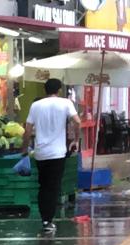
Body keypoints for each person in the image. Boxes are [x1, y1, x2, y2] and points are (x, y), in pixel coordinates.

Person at [23, 78, 80, 236]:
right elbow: (77, 122)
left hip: (40, 153)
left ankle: (45, 220)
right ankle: (49, 220)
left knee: (43, 186)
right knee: (53, 187)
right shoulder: (65, 103)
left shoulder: (36, 105)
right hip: (57, 153)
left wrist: (24, 149)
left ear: (45, 90)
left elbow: (27, 130)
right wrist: (75, 140)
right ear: (59, 90)